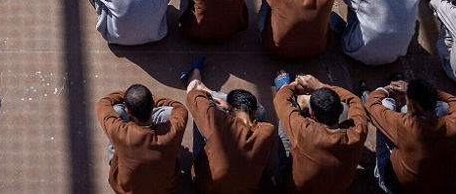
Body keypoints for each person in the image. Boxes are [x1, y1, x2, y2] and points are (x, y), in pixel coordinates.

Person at [366, 78, 456, 193]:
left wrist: (384, 90)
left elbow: (372, 103)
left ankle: (392, 99)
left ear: (415, 106)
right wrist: (427, 93)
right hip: (439, 189)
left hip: (397, 187)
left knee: (384, 107)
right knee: (444, 107)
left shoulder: (405, 126)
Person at [184, 66, 274, 194]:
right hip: (246, 190)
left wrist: (208, 94)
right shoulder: (268, 131)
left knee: (200, 116)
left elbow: (192, 95)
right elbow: (258, 110)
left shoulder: (217, 120)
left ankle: (208, 91)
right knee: (262, 110)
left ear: (230, 111)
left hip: (205, 186)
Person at [274, 74, 368, 192]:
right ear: (340, 110)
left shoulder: (305, 131)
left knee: (286, 116)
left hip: (295, 189)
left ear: (311, 113)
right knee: (347, 106)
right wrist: (320, 86)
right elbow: (354, 100)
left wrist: (291, 86)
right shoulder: (358, 132)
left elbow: (280, 100)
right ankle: (305, 101)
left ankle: (295, 100)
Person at [96, 85, 187, 194]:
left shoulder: (119, 131)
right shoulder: (172, 132)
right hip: (165, 189)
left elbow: (104, 102)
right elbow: (178, 107)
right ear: (152, 105)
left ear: (128, 111)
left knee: (116, 111)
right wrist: (148, 99)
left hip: (127, 189)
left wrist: (129, 97)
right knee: (169, 113)